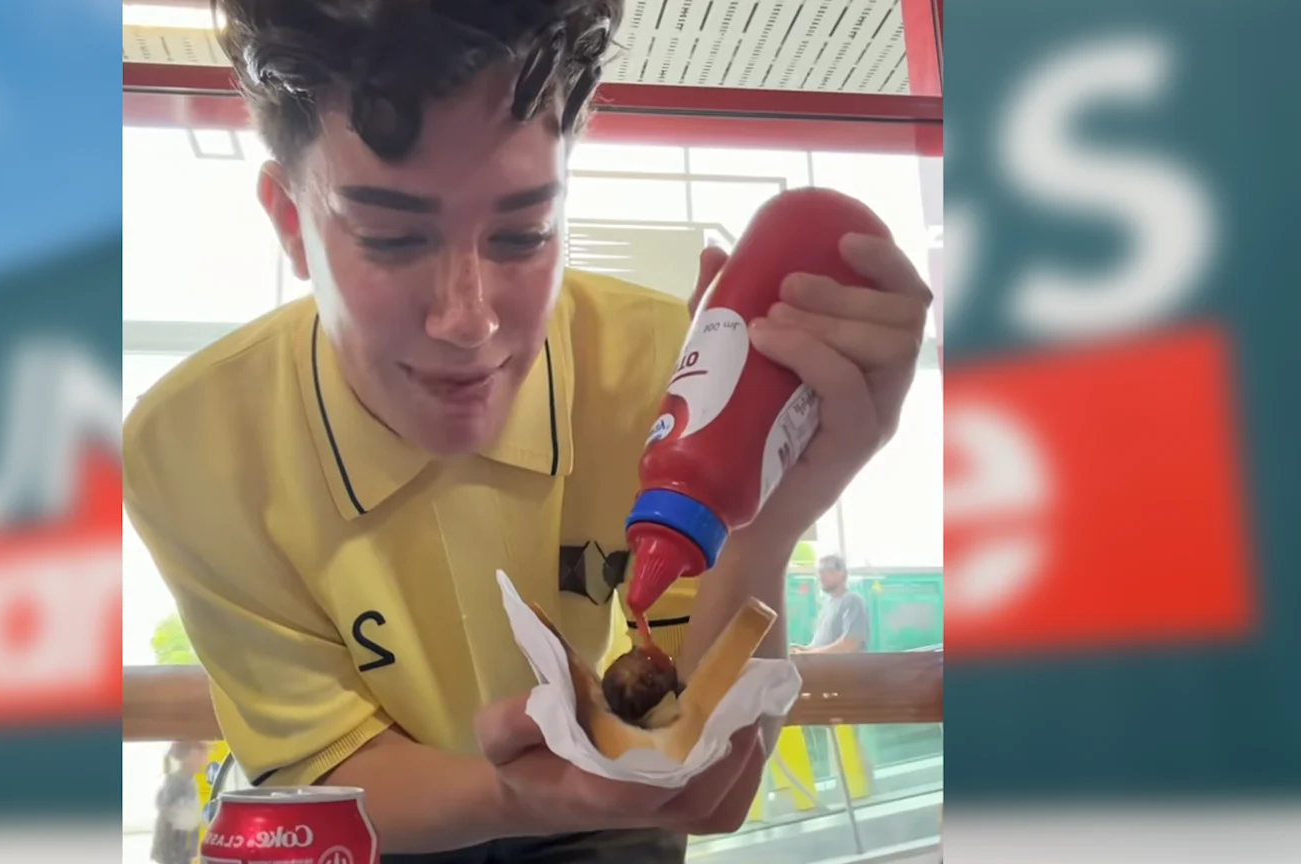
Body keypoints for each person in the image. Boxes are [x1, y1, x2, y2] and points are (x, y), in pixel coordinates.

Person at [122, 0, 930, 860]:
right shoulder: (193, 447)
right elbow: (321, 767)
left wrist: (775, 516)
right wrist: (517, 794)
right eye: (391, 238)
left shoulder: (667, 374)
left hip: (600, 810)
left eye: (523, 234)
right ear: (291, 223)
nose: (468, 320)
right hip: (371, 822)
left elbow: (707, 775)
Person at [793, 554, 870, 654]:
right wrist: (803, 650)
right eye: (820, 572)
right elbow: (820, 646)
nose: (821, 576)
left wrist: (807, 654)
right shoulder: (827, 604)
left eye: (827, 570)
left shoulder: (852, 601)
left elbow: (850, 644)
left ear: (843, 574)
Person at [151, 740, 211, 864]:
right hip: (173, 853)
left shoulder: (188, 780)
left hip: (180, 852)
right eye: (202, 754)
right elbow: (170, 811)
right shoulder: (177, 781)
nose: (205, 761)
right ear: (189, 756)